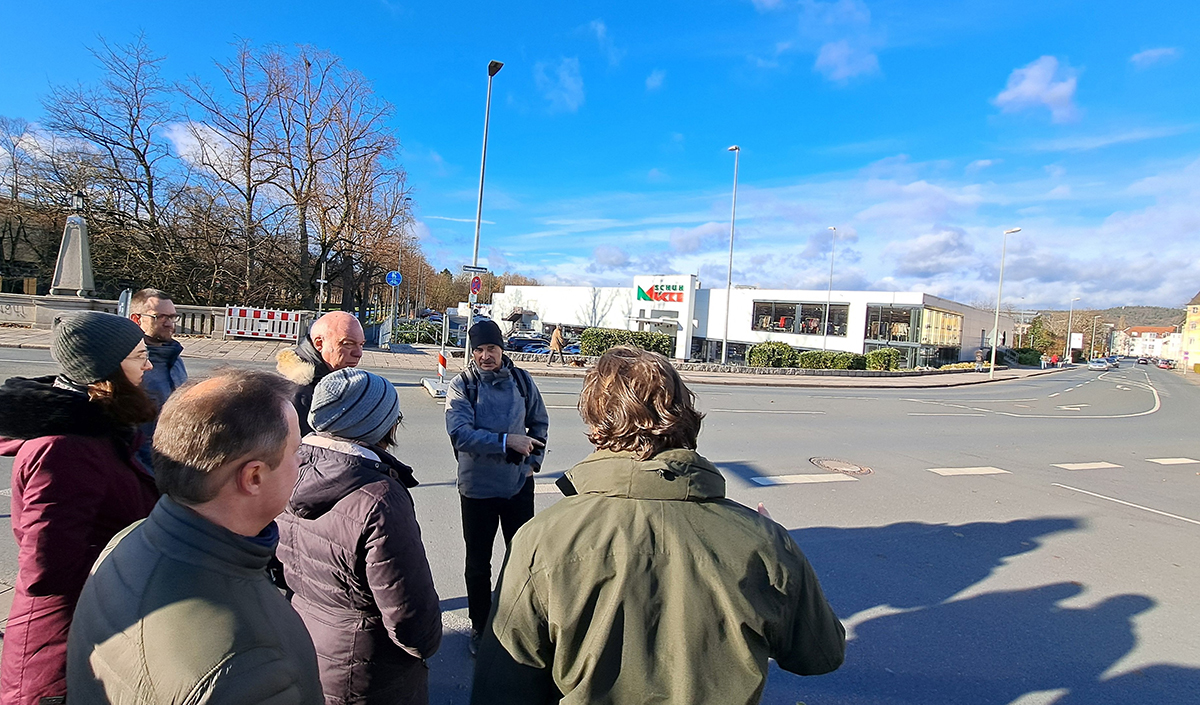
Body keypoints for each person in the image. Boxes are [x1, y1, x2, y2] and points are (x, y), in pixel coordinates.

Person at [472, 346, 846, 704]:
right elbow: (821, 655)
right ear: (685, 416)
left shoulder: (542, 539)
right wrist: (776, 550)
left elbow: (502, 684)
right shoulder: (763, 542)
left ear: (596, 421)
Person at [67, 369, 323, 704]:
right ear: (254, 477)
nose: (301, 460)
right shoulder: (246, 670)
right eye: (295, 450)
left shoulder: (131, 539)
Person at [0, 311, 160, 705]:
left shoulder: (100, 428)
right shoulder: (63, 448)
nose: (150, 364)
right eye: (139, 356)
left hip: (89, 628)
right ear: (106, 371)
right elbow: (47, 568)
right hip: (61, 649)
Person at [277, 368, 442, 705]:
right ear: (379, 425)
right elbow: (412, 624)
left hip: (304, 646)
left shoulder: (287, 470)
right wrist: (425, 645)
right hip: (369, 673)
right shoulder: (379, 499)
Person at [446, 320, 549, 656]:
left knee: (522, 559)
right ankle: (480, 625)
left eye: (491, 349)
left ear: (502, 350)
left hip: (518, 484)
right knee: (478, 562)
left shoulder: (521, 380)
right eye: (478, 349)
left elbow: (540, 422)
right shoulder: (463, 385)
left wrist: (534, 464)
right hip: (477, 488)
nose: (484, 356)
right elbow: (460, 434)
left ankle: (519, 622)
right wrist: (507, 442)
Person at [277, 310, 366, 435]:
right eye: (348, 344)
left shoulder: (329, 379)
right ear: (319, 343)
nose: (358, 353)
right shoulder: (299, 392)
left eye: (361, 345)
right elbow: (303, 451)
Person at [129, 287, 188, 469]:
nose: (169, 323)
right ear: (136, 319)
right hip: (144, 467)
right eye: (160, 317)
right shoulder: (128, 363)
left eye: (172, 317)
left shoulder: (175, 358)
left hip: (175, 463)